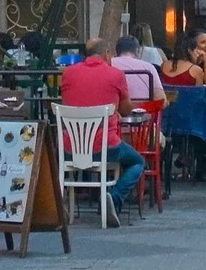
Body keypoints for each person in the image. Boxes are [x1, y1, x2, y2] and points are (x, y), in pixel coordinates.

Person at [57, 39, 145, 225]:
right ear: (107, 54)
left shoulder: (68, 74)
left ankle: (60, 200)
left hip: (70, 147)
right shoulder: (115, 74)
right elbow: (126, 109)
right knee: (137, 162)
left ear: (84, 55)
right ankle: (114, 198)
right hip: (105, 146)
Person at [112, 36, 165, 102]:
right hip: (142, 109)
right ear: (137, 51)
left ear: (116, 52)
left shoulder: (108, 64)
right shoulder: (149, 67)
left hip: (113, 109)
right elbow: (160, 99)